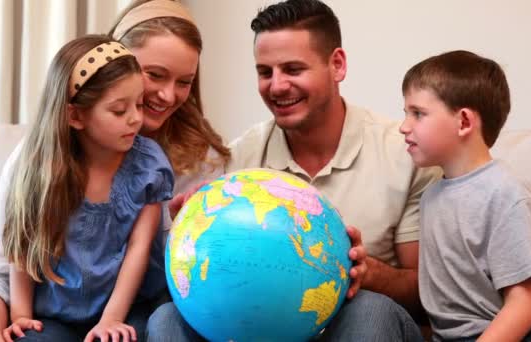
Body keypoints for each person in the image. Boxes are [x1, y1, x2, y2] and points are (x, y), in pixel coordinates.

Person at [147, 0, 439, 341]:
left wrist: (370, 273)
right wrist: (189, 233)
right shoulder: (238, 162)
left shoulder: (405, 154)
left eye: (293, 69)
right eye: (265, 72)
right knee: (167, 318)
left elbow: (430, 296)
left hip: (355, 324)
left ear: (337, 65)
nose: (277, 86)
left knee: (370, 308)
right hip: (264, 328)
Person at [0, 1, 230, 340]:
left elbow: (204, 276)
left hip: (141, 307)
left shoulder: (198, 162)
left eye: (184, 81)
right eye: (155, 74)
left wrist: (184, 231)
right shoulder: (37, 161)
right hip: (55, 311)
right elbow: (1, 264)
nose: (166, 95)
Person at [0, 34, 174, 341]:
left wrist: (111, 320)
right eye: (120, 110)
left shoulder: (149, 166)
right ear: (75, 116)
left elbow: (139, 249)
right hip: (55, 315)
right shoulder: (38, 169)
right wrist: (21, 316)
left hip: (126, 308)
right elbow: (23, 247)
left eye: (139, 104)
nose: (136, 118)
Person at [399, 50, 531, 341]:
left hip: (527, 334)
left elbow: (524, 303)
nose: (403, 126)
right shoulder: (432, 196)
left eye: (418, 114)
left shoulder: (506, 195)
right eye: (405, 114)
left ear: (463, 122)